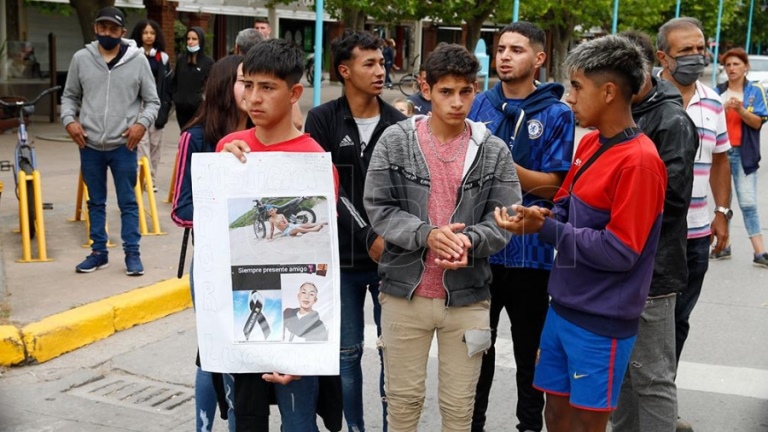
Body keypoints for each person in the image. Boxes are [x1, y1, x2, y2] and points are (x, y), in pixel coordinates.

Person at [495, 35, 667, 432]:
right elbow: (564, 204)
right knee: (554, 415)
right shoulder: (590, 143)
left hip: (601, 320)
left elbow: (621, 250)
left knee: (586, 424)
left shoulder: (640, 162)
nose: (569, 98)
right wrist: (537, 214)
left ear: (608, 92)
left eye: (576, 86)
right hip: (562, 308)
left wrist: (547, 228)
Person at [364, 43, 521, 431]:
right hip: (404, 293)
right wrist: (427, 235)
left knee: (459, 409)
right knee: (401, 405)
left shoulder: (493, 149)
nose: (457, 101)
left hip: (469, 298)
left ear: (476, 89)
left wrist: (471, 241)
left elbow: (507, 216)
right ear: (426, 88)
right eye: (446, 91)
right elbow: (378, 207)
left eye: (466, 91)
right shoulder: (396, 141)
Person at [216, 38, 341, 432]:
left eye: (267, 87)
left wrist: (299, 350)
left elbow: (320, 265)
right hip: (240, 319)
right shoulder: (227, 151)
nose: (254, 97)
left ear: (294, 93)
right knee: (244, 420)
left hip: (294, 329)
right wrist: (219, 177)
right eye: (248, 85)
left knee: (298, 421)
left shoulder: (314, 161)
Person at [468, 21, 575, 432]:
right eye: (500, 49)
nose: (506, 56)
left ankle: (528, 426)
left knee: (532, 351)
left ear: (539, 59)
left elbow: (552, 186)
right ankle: (471, 423)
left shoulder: (556, 113)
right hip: (481, 250)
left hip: (531, 257)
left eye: (516, 49)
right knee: (477, 350)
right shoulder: (479, 105)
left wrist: (500, 164)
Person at [304, 30, 406, 432]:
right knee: (346, 356)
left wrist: (390, 237)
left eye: (382, 62)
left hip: (391, 260)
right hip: (342, 261)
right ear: (345, 71)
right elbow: (327, 188)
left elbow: (404, 193)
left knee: (391, 356)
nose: (380, 70)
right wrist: (367, 235)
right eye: (370, 63)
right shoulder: (322, 118)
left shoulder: (400, 124)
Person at [611, 30, 699, 432]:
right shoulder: (627, 110)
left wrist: (613, 232)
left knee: (653, 378)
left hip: (653, 271)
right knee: (624, 375)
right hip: (621, 263)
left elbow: (672, 204)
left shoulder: (670, 120)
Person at [171, 54, 247, 432]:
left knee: (244, 358)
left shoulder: (261, 135)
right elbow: (181, 207)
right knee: (211, 355)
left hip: (254, 266)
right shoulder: (195, 137)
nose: (252, 91)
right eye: (245, 82)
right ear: (223, 87)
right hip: (212, 267)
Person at [62, 6, 159, 276]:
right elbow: (69, 96)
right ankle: (98, 252)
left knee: (128, 201)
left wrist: (141, 124)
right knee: (95, 201)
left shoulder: (138, 61)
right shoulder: (81, 58)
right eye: (103, 28)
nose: (107, 33)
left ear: (122, 32)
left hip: (123, 145)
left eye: (113, 29)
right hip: (89, 144)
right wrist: (69, 120)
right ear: (95, 28)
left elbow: (153, 101)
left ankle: (132, 253)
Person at [715, 48, 768, 267]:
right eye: (728, 65)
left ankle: (759, 252)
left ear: (746, 67)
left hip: (744, 153)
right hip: (722, 154)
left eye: (736, 64)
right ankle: (723, 246)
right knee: (722, 203)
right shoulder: (718, 92)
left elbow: (758, 122)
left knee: (747, 202)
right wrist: (722, 110)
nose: (732, 68)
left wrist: (741, 111)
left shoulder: (754, 91)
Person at [130, 19, 173, 192]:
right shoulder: (133, 55)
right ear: (139, 35)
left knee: (155, 144)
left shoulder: (162, 58)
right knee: (142, 144)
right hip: (138, 106)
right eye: (145, 32)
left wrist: (166, 106)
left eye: (152, 33)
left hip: (157, 106)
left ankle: (151, 179)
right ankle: (144, 179)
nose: (149, 36)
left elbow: (168, 85)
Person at [171, 26, 214, 129]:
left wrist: (200, 100)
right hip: (181, 108)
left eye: (194, 39)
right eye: (188, 39)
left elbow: (210, 85)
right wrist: (176, 98)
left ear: (201, 41)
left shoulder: (208, 62)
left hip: (197, 110)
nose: (190, 42)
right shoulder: (181, 60)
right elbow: (175, 81)